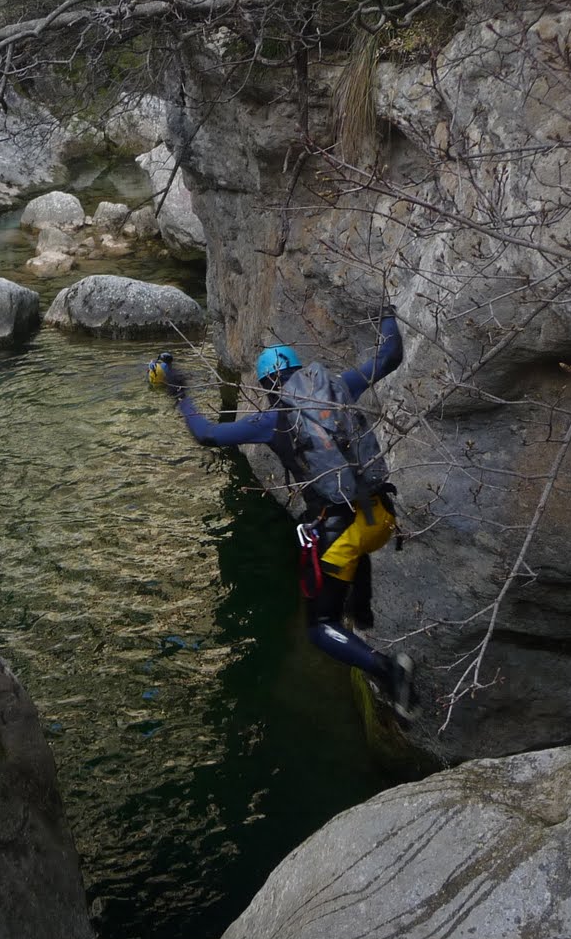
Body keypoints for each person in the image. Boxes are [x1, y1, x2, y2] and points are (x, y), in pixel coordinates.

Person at [149, 306, 416, 719]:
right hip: (381, 516)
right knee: (350, 552)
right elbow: (391, 355)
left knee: (318, 625)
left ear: (268, 385)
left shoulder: (273, 419)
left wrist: (180, 393)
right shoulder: (340, 386)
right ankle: (361, 612)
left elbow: (206, 433)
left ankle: (386, 670)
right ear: (298, 370)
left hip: (340, 532)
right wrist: (385, 312)